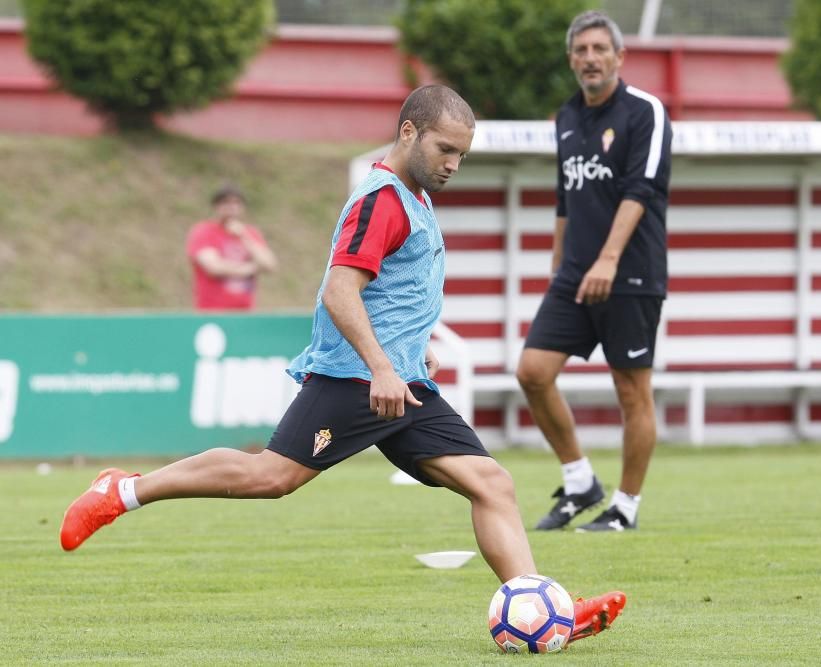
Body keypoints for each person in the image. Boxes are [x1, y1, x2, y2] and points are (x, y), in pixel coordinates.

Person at [60, 85, 625, 643]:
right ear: (409, 132)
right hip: (358, 380)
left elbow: (393, 293)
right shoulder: (381, 198)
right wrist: (381, 365)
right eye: (445, 150)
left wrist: (409, 347)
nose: (454, 164)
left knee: (492, 483)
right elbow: (339, 290)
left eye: (461, 155)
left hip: (405, 385)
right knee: (272, 476)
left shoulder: (416, 196)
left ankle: (540, 607)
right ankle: (124, 490)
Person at [517, 11, 672, 532]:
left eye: (599, 49)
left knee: (632, 391)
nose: (589, 58)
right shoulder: (565, 117)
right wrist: (559, 266)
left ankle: (625, 508)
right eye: (580, 50)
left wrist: (608, 259)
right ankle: (580, 480)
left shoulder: (644, 112)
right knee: (533, 372)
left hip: (630, 275)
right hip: (575, 276)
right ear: (571, 59)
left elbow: (640, 191)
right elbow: (565, 198)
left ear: (619, 57)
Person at [186, 184, 278, 310]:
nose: (231, 207)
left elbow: (269, 264)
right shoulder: (204, 231)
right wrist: (252, 268)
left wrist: (244, 237)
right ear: (216, 206)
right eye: (226, 203)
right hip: (213, 311)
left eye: (236, 203)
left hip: (245, 312)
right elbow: (214, 267)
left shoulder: (250, 233)